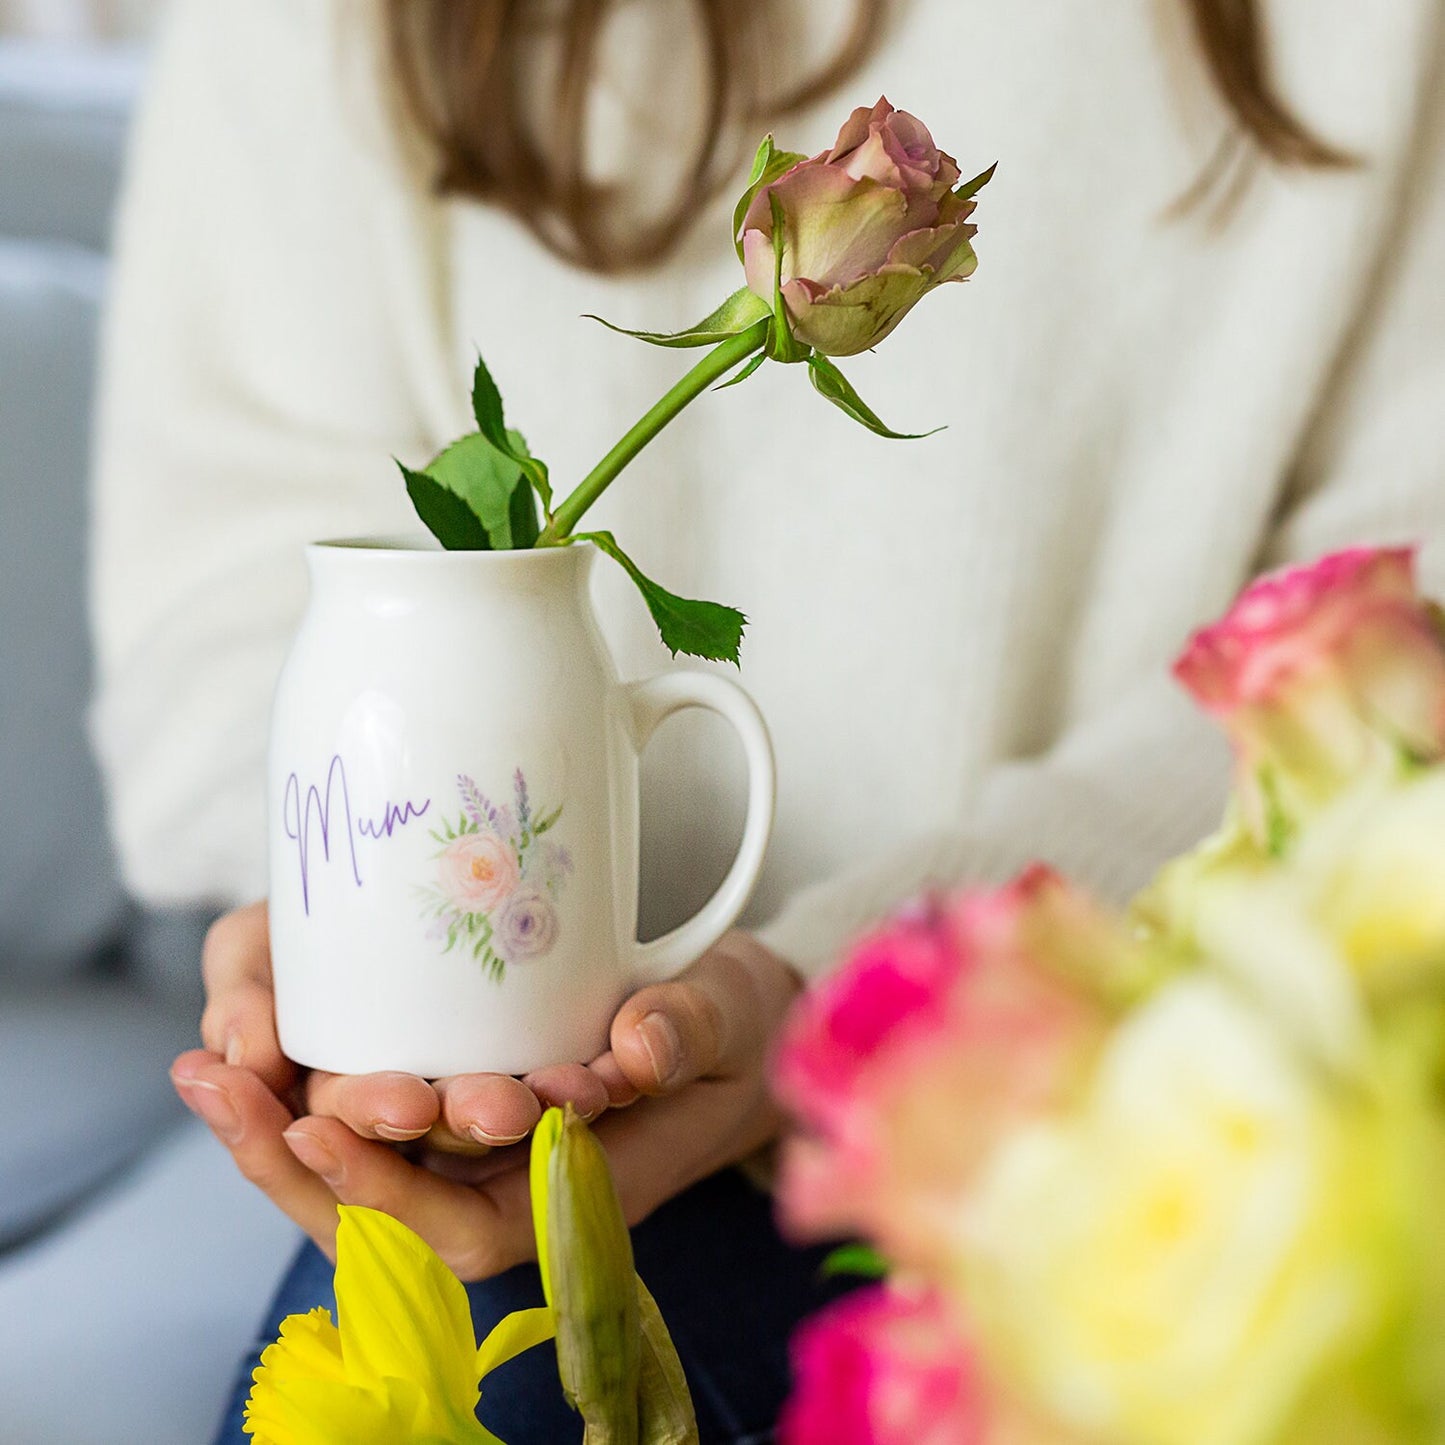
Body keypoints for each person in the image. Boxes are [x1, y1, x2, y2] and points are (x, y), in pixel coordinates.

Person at [90, 0, 1445, 1439]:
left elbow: (1391, 638)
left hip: (1160, 1091)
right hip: (526, 1123)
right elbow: (224, 615)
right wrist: (337, 923)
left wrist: (827, 991)